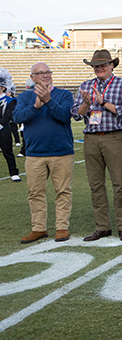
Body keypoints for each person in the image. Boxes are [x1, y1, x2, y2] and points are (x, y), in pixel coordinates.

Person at [70, 49, 122, 242]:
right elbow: (76, 114)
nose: (99, 68)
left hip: (113, 137)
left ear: (112, 65)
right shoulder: (85, 85)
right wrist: (86, 104)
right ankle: (102, 226)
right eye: (96, 66)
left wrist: (103, 102)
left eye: (103, 65)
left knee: (119, 184)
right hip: (90, 138)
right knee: (95, 185)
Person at [13, 62, 74, 243]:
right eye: (40, 73)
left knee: (63, 191)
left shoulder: (64, 94)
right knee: (35, 192)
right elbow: (17, 118)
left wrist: (48, 100)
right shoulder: (25, 97)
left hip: (61, 152)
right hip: (34, 153)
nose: (45, 75)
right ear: (32, 78)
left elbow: (65, 115)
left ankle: (62, 227)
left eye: (48, 72)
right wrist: (36, 106)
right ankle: (38, 228)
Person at [0, 70, 20, 182]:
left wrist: (0, 124)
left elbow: (8, 115)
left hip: (3, 129)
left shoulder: (9, 100)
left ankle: (13, 172)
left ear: (3, 87)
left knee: (7, 151)